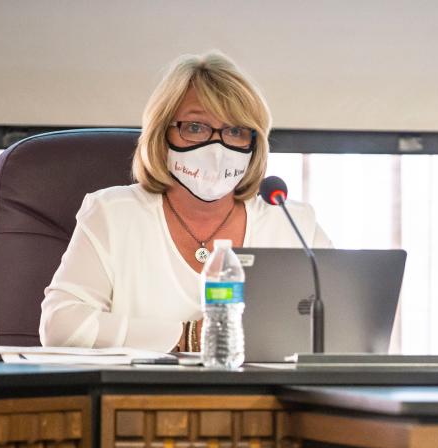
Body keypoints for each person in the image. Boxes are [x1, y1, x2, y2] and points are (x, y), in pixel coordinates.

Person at [40, 51, 330, 352]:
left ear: (254, 143)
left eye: (235, 131)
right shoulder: (113, 214)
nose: (217, 148)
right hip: (140, 399)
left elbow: (343, 325)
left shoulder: (292, 224)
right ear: (162, 134)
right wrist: (186, 337)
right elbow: (60, 326)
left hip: (267, 399)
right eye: (195, 127)